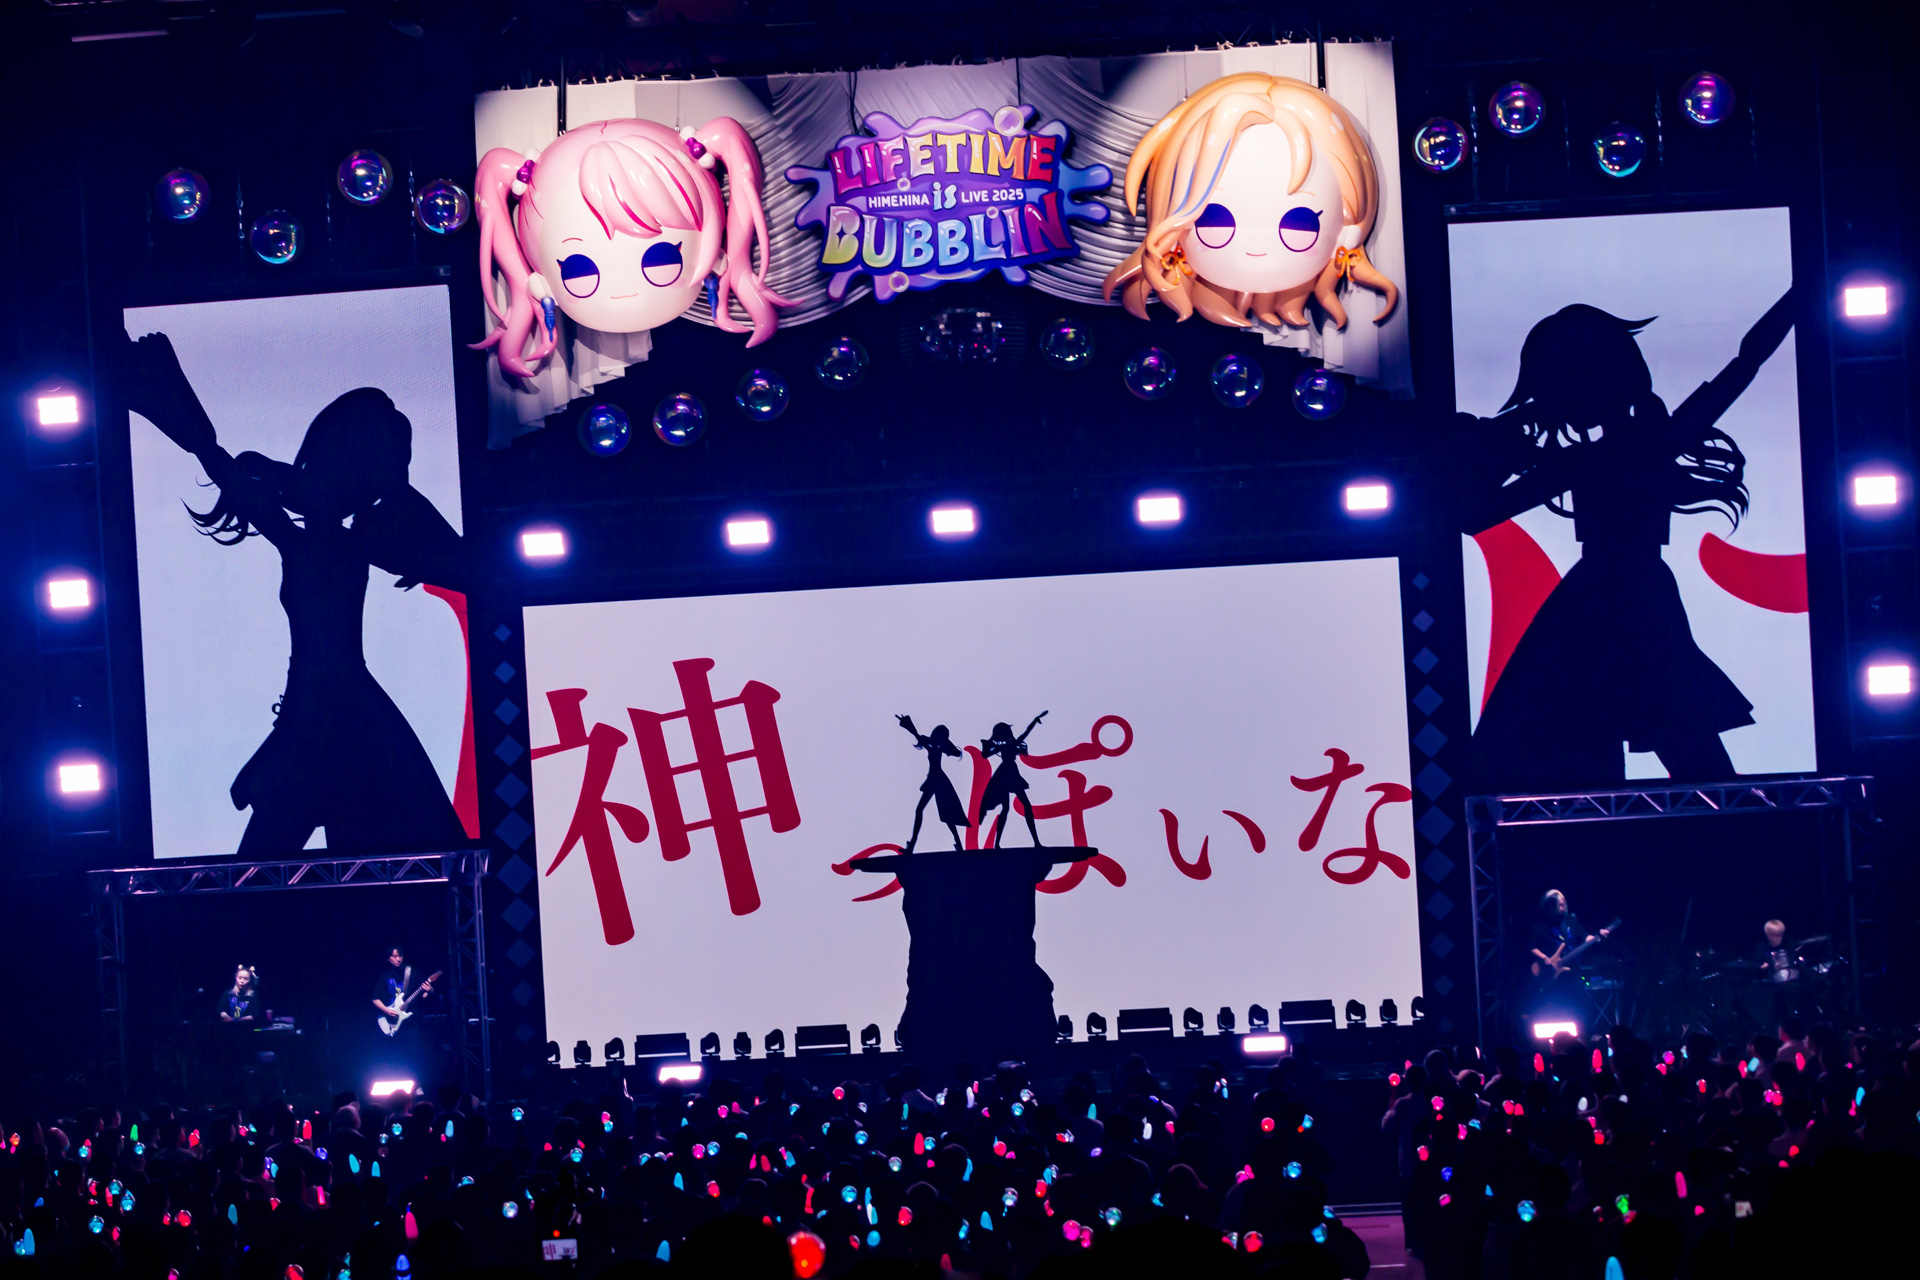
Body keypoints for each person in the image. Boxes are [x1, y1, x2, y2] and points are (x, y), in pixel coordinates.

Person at [120, 331, 470, 856]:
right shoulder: (328, 544)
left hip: (328, 707)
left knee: (271, 860)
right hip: (329, 704)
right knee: (291, 853)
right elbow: (253, 489)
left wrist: (208, 445)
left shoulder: (325, 547)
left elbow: (252, 489)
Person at [1461, 290, 1796, 787]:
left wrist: (1493, 453)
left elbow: (1746, 363)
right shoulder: (1610, 454)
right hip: (1620, 591)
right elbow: (1475, 516)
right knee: (1661, 731)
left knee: (1660, 725)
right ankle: (1735, 821)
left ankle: (1737, 822)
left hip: (1611, 594)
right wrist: (1494, 451)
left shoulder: (1595, 457)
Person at [895, 715, 971, 854]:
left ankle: (912, 845)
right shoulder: (935, 745)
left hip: (937, 780)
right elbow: (918, 736)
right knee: (940, 813)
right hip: (936, 779)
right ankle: (957, 844)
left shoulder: (935, 746)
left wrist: (908, 725)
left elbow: (919, 736)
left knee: (933, 812)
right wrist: (908, 725)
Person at [978, 714, 1047, 848]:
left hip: (1010, 773)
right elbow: (985, 754)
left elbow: (1026, 732)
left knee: (1016, 807)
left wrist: (1034, 721)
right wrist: (994, 745)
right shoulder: (1006, 746)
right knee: (1009, 808)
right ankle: (998, 843)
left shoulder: (1009, 745)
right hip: (1006, 774)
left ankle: (1034, 842)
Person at [1528, 889, 1610, 984]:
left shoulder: (1570, 920)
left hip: (1573, 971)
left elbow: (1585, 937)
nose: (1561, 909)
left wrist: (1598, 937)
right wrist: (1544, 957)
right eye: (1559, 905)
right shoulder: (1541, 926)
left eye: (1563, 905)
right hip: (1552, 974)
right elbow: (1533, 947)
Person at [372, 947, 431, 1031]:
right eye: (394, 956)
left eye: (400, 956)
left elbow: (424, 994)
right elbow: (375, 999)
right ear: (388, 958)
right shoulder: (384, 976)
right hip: (390, 1020)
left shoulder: (412, 972)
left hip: (411, 1021)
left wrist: (428, 991)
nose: (398, 959)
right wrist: (387, 1011)